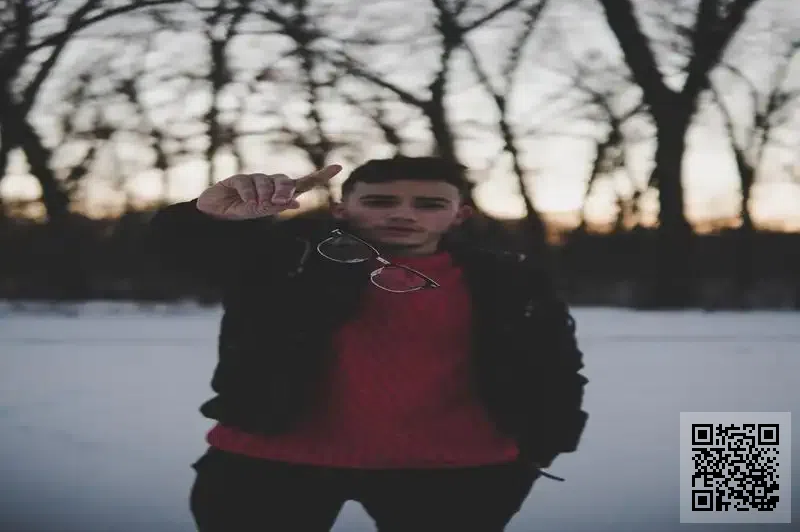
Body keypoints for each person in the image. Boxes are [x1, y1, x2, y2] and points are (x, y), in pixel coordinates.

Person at [148, 156, 589, 532]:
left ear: (460, 214)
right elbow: (179, 256)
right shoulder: (281, 257)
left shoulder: (508, 279)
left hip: (458, 469)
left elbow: (553, 365)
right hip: (270, 461)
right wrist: (204, 218)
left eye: (430, 204)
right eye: (380, 201)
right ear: (341, 209)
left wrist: (546, 441)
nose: (403, 214)